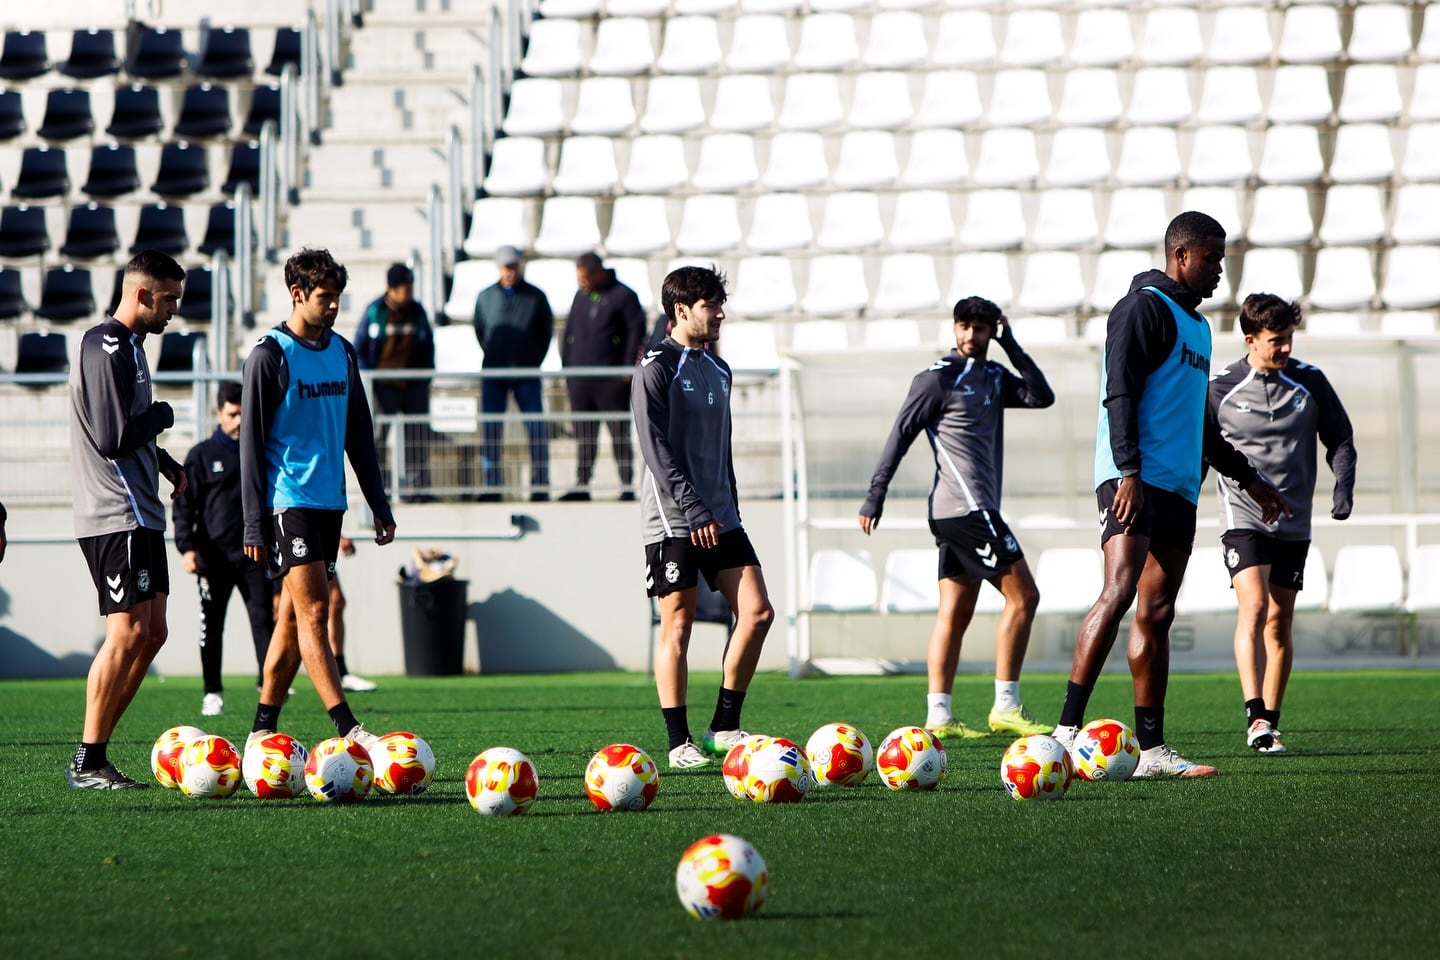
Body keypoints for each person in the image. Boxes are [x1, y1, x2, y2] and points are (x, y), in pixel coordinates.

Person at [1051, 211, 1288, 779]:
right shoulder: (1141, 310)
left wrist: (1248, 476)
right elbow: (1120, 392)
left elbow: (1199, 422)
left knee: (1157, 613)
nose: (1219, 272)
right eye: (1212, 259)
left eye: (1222, 260)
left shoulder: (1200, 328)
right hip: (1131, 478)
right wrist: (1128, 469)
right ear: (1182, 256)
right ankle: (1063, 732)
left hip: (1180, 486)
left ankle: (1152, 750)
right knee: (1120, 588)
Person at [859, 297, 1055, 740]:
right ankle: (1006, 706)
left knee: (955, 610)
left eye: (981, 329)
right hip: (966, 510)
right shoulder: (937, 379)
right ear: (954, 328)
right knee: (1025, 596)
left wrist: (1013, 344)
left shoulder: (993, 376)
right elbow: (900, 436)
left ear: (992, 331)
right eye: (964, 326)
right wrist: (876, 496)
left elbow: (1042, 396)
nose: (970, 336)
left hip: (965, 512)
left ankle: (939, 716)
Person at [240, 248, 396, 751]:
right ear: (297, 294)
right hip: (289, 502)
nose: (333, 307)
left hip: (331, 503)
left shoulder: (344, 352)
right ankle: (349, 727)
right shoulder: (269, 355)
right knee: (314, 613)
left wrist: (379, 503)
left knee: (290, 617)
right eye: (325, 298)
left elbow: (359, 433)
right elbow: (250, 447)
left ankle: (263, 726)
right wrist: (253, 524)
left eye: (337, 298)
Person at [632, 265, 775, 770]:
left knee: (757, 613)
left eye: (720, 303)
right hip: (674, 519)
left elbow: (722, 449)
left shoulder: (720, 368)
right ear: (681, 311)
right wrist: (691, 508)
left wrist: (727, 504)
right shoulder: (654, 366)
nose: (719, 313)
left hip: (721, 517)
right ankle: (678, 742)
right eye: (711, 304)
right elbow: (655, 448)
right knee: (679, 624)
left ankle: (724, 727)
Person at [1209, 293, 1355, 754]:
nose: (1286, 348)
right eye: (1276, 340)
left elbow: (1341, 440)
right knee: (1253, 608)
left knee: (1279, 620)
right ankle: (1254, 716)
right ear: (1250, 340)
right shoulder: (1220, 387)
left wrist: (1342, 490)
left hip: (1294, 518)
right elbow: (1202, 448)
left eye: (1289, 338)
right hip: (1243, 513)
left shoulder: (1311, 381)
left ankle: (1271, 722)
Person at [66, 249, 188, 788]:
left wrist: (165, 463)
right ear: (142, 294)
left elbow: (127, 429)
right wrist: (161, 417)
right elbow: (114, 437)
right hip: (115, 512)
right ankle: (88, 761)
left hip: (142, 510)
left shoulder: (133, 348)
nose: (174, 312)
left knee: (153, 632)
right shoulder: (104, 345)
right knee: (128, 631)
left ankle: (97, 751)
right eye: (168, 301)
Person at [173, 381, 276, 718]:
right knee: (212, 625)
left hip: (255, 555)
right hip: (213, 557)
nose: (238, 421)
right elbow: (184, 506)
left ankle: (269, 685)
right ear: (219, 414)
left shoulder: (261, 450)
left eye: (244, 414)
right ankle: (212, 691)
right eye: (232, 414)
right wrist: (187, 548)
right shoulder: (202, 455)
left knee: (264, 622)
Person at [559, 252, 646, 502]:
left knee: (618, 432)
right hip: (580, 380)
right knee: (584, 434)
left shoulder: (624, 296)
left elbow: (635, 332)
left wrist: (626, 370)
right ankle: (582, 483)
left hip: (611, 381)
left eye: (585, 278)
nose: (582, 283)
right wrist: (568, 367)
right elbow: (569, 333)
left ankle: (626, 484)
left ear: (597, 273)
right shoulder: (580, 296)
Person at [473, 244, 554, 502]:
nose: (510, 271)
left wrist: (531, 358)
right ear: (499, 268)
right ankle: (492, 485)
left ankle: (540, 483)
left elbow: (545, 332)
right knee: (491, 430)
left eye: (514, 266)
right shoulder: (485, 297)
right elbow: (481, 331)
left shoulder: (536, 297)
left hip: (526, 374)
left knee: (536, 429)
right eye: (506, 267)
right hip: (494, 374)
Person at [354, 263, 435, 502]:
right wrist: (371, 378)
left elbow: (428, 345)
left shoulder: (418, 312)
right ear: (392, 288)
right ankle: (380, 490)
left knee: (417, 438)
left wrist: (425, 377)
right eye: (404, 287)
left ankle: (416, 490)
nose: (408, 292)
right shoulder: (375, 311)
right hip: (383, 387)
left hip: (414, 386)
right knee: (377, 439)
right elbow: (359, 349)